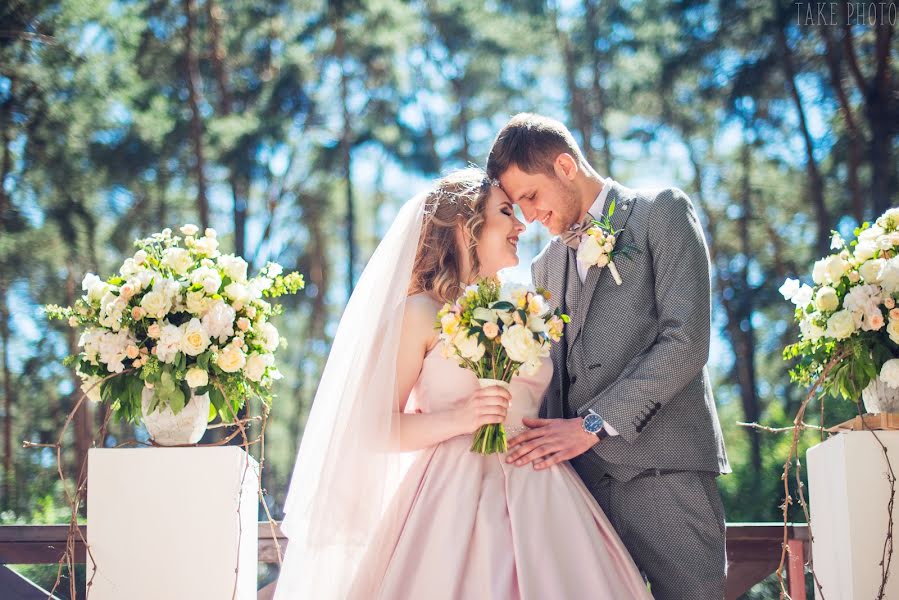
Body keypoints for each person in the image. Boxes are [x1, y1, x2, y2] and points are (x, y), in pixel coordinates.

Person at [275, 167, 651, 599]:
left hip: (544, 493)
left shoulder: (525, 307)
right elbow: (373, 428)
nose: (521, 224)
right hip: (450, 501)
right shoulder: (419, 312)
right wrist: (460, 417)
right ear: (465, 224)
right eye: (506, 211)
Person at [487, 113, 731, 600]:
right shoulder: (544, 266)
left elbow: (686, 341)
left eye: (532, 197)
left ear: (565, 165)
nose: (529, 217)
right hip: (579, 491)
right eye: (517, 205)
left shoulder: (659, 212)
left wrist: (591, 426)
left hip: (666, 474)